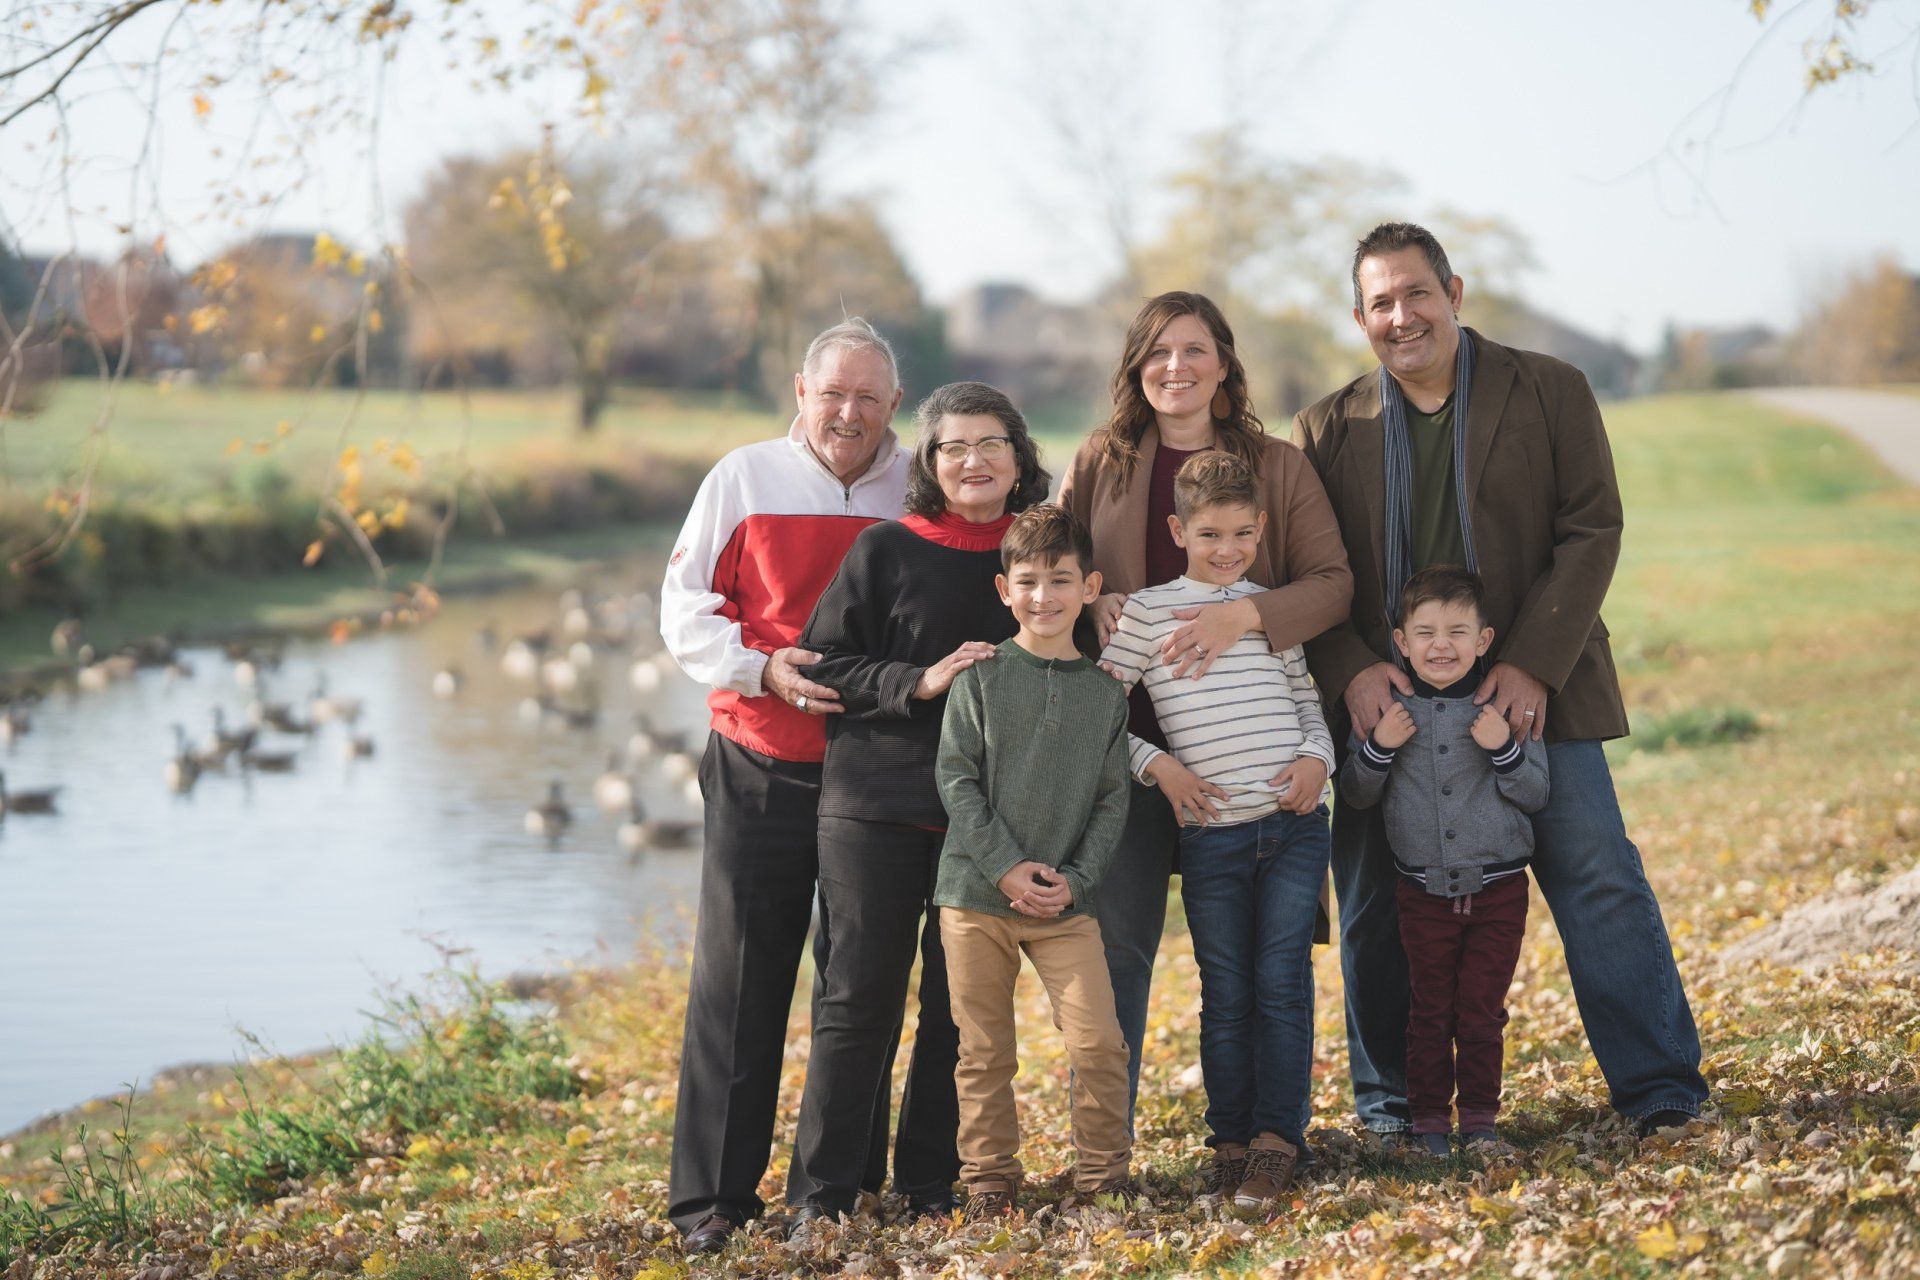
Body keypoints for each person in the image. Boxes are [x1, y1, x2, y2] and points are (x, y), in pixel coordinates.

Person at [1293, 222, 1709, 1142]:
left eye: (1416, 293)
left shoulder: (1548, 388)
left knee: (1597, 873)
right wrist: (1354, 669)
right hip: (1392, 714)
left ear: (1454, 291)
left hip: (1534, 692)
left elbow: (1592, 529)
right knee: (1373, 905)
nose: (1402, 316)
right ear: (1358, 318)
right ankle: (1395, 1109)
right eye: (1380, 303)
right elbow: (1309, 573)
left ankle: (1660, 1088)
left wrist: (1530, 661)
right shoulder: (1329, 426)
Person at [660, 318, 938, 1253]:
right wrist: (761, 668)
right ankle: (711, 1207)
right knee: (739, 985)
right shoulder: (741, 478)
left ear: (895, 403)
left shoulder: (922, 485)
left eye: (869, 396)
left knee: (857, 989)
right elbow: (685, 608)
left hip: (880, 776)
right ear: (800, 392)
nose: (849, 412)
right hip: (759, 759)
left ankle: (841, 1189)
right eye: (833, 393)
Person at [1058, 291, 1352, 1117]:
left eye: (1194, 350)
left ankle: (1265, 1132)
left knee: (1263, 966)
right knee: (1118, 952)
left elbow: (1334, 585)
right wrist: (1092, 600)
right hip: (1131, 752)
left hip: (1250, 765)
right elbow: (1051, 565)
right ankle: (1102, 1151)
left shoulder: (1278, 466)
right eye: (1157, 352)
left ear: (1224, 364)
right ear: (1135, 367)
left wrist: (1245, 614)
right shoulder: (1101, 461)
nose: (1175, 368)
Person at [785, 381, 1053, 1228]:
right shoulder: (885, 549)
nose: (973, 461)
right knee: (857, 1001)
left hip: (988, 823)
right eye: (953, 448)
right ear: (929, 465)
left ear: (1019, 458)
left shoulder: (1041, 557)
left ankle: (929, 1182)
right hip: (877, 807)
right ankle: (823, 1197)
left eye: (991, 444)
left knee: (958, 1011)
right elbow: (823, 664)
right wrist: (919, 679)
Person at [1099, 451, 1335, 1207]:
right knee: (1228, 989)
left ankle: (1277, 1139)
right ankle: (1230, 1139)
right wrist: (1158, 768)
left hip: (1294, 824)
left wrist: (1316, 759)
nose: (1226, 547)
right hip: (1212, 836)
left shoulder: (1268, 608)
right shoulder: (1146, 613)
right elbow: (1096, 713)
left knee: (1283, 982)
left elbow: (1307, 701)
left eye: (1241, 532)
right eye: (1209, 533)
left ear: (1262, 529)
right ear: (1178, 530)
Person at [934, 504, 1133, 1218]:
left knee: (1099, 1042)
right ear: (1004, 591)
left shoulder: (1107, 695)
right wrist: (1005, 868)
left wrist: (1074, 882)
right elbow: (955, 779)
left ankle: (1103, 1179)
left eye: (1060, 580)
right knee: (985, 1051)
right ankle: (990, 1181)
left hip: (1063, 906)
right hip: (975, 895)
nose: (1043, 596)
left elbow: (1113, 801)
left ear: (1090, 587)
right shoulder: (981, 679)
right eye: (1028, 581)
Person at [1337, 566, 1548, 1156]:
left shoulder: (1501, 711)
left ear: (1484, 641)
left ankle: (1480, 1122)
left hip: (1499, 888)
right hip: (1422, 892)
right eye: (1425, 632)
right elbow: (1356, 793)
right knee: (1428, 1009)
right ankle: (1429, 1125)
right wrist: (1380, 747)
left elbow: (1536, 794)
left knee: (1481, 1009)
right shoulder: (1388, 710)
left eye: (1458, 632)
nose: (1441, 645)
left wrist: (1502, 748)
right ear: (1400, 643)